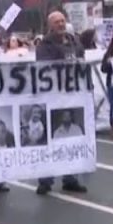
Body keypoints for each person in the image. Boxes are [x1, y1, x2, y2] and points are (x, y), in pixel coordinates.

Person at [35, 11, 87, 194]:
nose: (61, 24)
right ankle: (45, 180)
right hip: (52, 98)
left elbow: (81, 59)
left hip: (71, 97)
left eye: (63, 20)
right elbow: (44, 67)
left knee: (71, 140)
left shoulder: (73, 41)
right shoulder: (45, 45)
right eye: (57, 22)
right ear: (50, 25)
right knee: (50, 139)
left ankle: (70, 178)